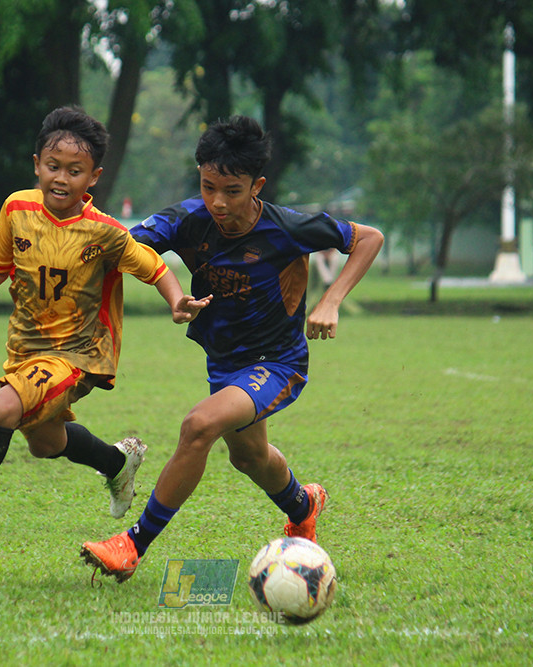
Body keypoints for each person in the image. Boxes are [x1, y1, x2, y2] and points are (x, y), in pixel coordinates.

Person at [81, 115, 384, 582]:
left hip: (278, 364)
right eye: (207, 187)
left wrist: (331, 299)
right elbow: (125, 248)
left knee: (197, 426)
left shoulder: (286, 227)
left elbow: (368, 238)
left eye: (233, 190)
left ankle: (131, 545)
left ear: (257, 185)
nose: (218, 202)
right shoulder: (188, 219)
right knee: (248, 458)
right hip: (225, 364)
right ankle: (304, 506)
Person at [0, 106, 210, 556]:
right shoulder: (17, 208)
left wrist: (176, 299)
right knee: (46, 444)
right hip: (25, 349)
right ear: (36, 165)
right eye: (53, 167)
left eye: (75, 170)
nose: (61, 178)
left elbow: (154, 267)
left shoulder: (104, 232)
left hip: (79, 353)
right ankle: (117, 461)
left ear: (94, 178)